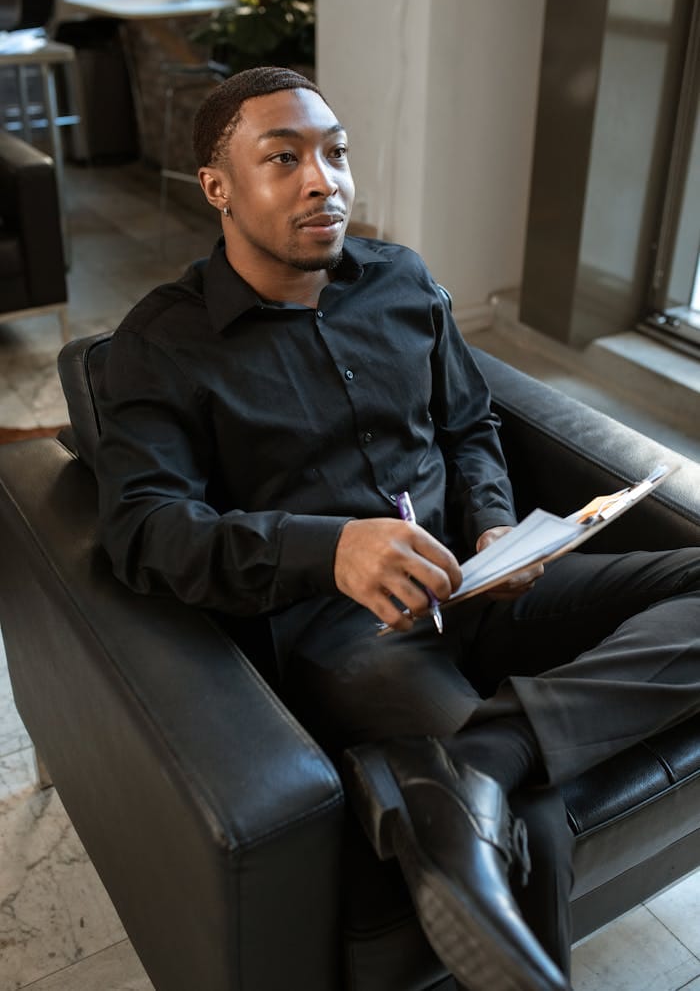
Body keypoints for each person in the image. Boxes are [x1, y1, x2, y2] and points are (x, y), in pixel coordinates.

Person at [94, 66, 700, 991]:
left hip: (484, 586)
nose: (323, 180)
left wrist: (497, 530)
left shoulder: (403, 281)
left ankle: (486, 751)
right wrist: (328, 548)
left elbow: (469, 426)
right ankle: (496, 776)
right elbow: (145, 530)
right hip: (349, 634)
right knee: (526, 820)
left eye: (336, 153)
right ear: (218, 187)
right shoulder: (156, 347)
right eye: (284, 158)